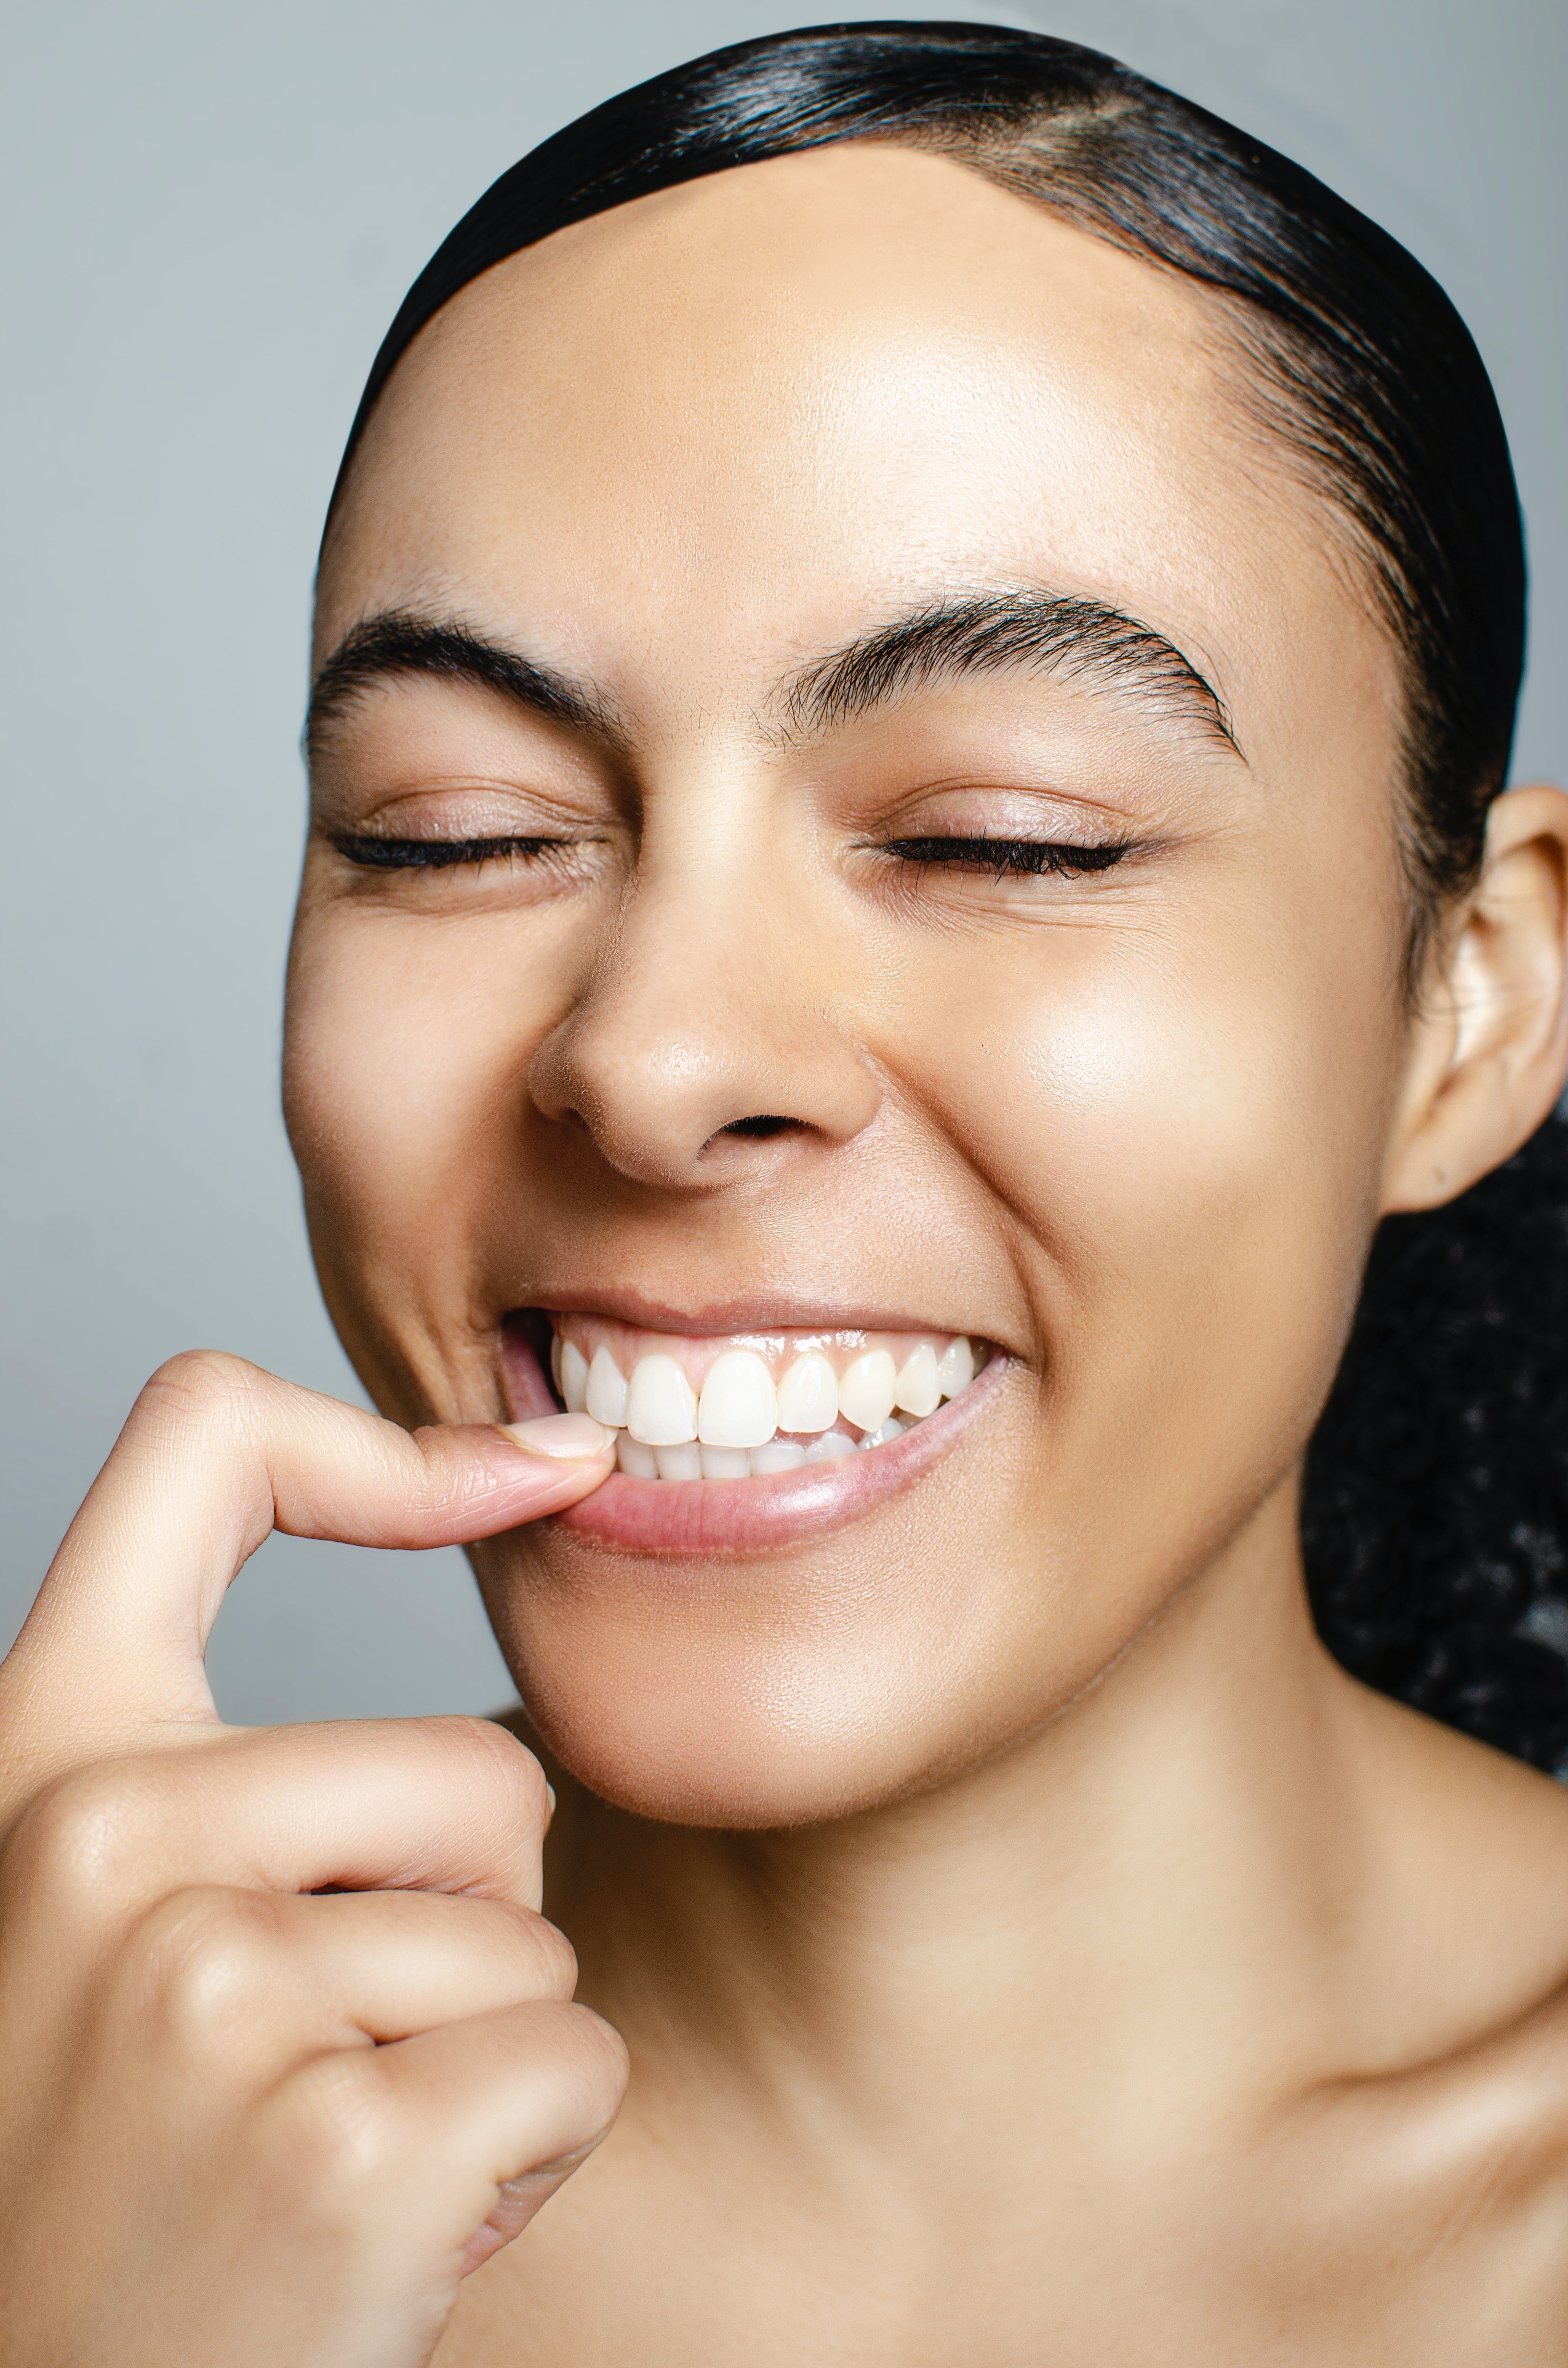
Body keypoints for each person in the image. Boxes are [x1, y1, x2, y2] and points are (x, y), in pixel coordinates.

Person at [3, 21, 1567, 2361]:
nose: (650, 1059)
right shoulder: (68, 2155)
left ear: (1472, 1008)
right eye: (460, 833)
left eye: (996, 839)